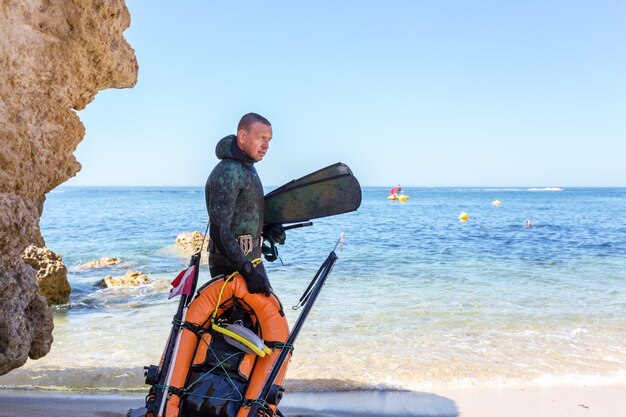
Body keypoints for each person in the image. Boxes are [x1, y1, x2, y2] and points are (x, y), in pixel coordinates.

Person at [204, 113, 285, 296]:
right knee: (242, 324)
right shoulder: (228, 171)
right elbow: (219, 231)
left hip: (251, 261)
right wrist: (248, 272)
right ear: (242, 136)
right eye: (261, 138)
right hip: (231, 267)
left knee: (267, 321)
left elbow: (243, 216)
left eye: (269, 140)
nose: (266, 146)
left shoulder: (249, 169)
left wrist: (267, 229)